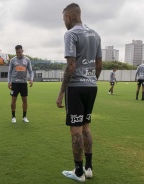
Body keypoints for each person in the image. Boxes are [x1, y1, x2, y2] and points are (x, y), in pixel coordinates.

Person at [56, 3, 102, 182]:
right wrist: (91, 80)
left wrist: (61, 92)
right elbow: (99, 65)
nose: (64, 23)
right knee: (86, 128)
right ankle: (88, 168)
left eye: (63, 19)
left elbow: (71, 66)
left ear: (68, 17)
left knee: (76, 132)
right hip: (91, 86)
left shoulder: (71, 34)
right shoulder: (95, 34)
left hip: (75, 88)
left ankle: (78, 172)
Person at [8, 45, 34, 123]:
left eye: (19, 52)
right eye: (17, 52)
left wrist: (31, 79)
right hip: (15, 83)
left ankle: (24, 117)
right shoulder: (13, 60)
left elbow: (31, 71)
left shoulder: (27, 60)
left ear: (22, 51)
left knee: (25, 100)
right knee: (13, 100)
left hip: (23, 83)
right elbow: (9, 72)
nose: (18, 54)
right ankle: (13, 117)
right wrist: (9, 82)